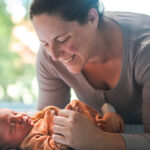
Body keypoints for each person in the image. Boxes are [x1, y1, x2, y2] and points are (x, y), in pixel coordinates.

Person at [29, 0, 150, 149]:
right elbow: (43, 128)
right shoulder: (49, 58)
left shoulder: (144, 51)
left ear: (92, 18)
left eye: (63, 39)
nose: (54, 55)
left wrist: (100, 140)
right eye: (45, 43)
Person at [0, 100, 124, 150]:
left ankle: (102, 119)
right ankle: (107, 124)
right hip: (86, 134)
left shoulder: (32, 120)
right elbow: (55, 147)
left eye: (15, 113)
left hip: (84, 120)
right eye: (13, 126)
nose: (19, 118)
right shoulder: (31, 142)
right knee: (112, 123)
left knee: (78, 105)